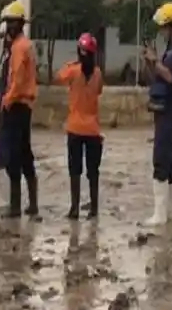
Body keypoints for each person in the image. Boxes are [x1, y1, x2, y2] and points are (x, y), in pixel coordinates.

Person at [142, 1, 172, 226]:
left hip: (171, 111)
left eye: (163, 27)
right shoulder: (169, 51)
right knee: (168, 160)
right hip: (162, 109)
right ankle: (169, 211)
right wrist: (151, 64)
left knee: (161, 157)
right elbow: (158, 78)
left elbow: (171, 77)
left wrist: (155, 62)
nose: (161, 32)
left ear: (171, 27)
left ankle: (160, 214)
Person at [57, 33, 104, 220]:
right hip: (92, 129)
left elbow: (58, 76)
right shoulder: (98, 73)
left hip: (75, 128)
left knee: (74, 170)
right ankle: (93, 209)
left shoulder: (73, 71)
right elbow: (99, 90)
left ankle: (74, 208)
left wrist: (70, 64)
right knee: (93, 171)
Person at [0, 1, 39, 218]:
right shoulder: (27, 45)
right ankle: (32, 204)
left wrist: (7, 100)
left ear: (17, 24)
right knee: (25, 154)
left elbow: (16, 79)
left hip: (16, 106)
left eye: (9, 23)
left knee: (14, 156)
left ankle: (15, 207)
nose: (7, 27)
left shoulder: (19, 48)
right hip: (25, 106)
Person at [0, 21, 11, 207]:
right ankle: (6, 199)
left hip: (9, 115)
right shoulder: (7, 58)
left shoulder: (11, 59)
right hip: (4, 114)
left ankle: (8, 201)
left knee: (5, 157)